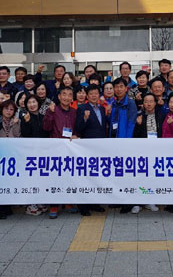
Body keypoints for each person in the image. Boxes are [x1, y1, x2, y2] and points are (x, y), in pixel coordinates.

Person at [42, 86, 78, 218]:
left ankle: (68, 202)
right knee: (55, 178)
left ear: (72, 98)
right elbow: (46, 128)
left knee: (69, 176)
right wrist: (50, 113)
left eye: (69, 95)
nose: (66, 97)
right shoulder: (52, 110)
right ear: (59, 96)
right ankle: (54, 206)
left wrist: (76, 135)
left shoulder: (74, 112)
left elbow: (77, 128)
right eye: (64, 94)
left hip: (70, 149)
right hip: (55, 149)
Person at [74, 84, 108, 216]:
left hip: (100, 147)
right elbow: (78, 128)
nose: (94, 96)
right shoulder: (82, 108)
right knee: (86, 177)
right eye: (91, 94)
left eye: (96, 93)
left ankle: (95, 203)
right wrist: (85, 118)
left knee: (96, 176)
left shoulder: (102, 108)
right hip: (87, 148)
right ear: (87, 96)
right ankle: (83, 206)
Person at [21, 94, 48, 217]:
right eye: (29, 103)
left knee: (41, 178)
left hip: (43, 152)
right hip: (31, 153)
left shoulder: (43, 117)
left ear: (38, 103)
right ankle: (31, 205)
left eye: (34, 102)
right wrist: (26, 122)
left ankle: (40, 201)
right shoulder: (25, 117)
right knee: (31, 179)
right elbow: (25, 135)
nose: (32, 105)